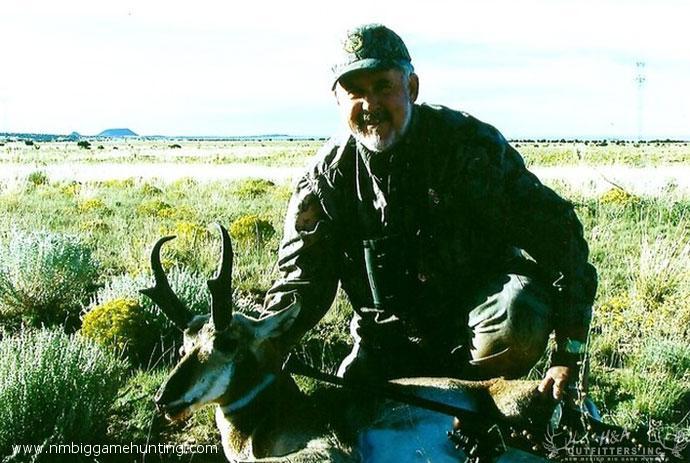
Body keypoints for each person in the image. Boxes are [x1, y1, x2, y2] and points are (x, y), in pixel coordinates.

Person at [260, 23, 597, 400]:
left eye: (383, 87)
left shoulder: (470, 148)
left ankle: (481, 397)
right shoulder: (325, 182)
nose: (370, 105)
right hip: (387, 341)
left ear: (412, 88)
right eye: (355, 92)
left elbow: (561, 240)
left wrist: (569, 355)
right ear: (338, 101)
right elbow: (301, 284)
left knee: (519, 314)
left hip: (475, 331)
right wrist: (255, 342)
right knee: (352, 421)